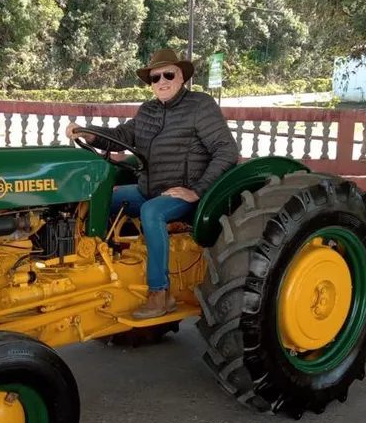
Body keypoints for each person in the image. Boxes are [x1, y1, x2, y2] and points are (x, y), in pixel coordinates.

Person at [66, 48, 238, 319]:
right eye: (155, 78)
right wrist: (90, 133)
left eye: (168, 74)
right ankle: (102, 272)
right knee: (98, 201)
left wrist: (197, 190)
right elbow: (122, 135)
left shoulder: (200, 106)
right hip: (149, 189)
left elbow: (226, 150)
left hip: (185, 193)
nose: (162, 82)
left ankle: (160, 293)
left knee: (152, 212)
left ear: (181, 76)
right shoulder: (148, 111)